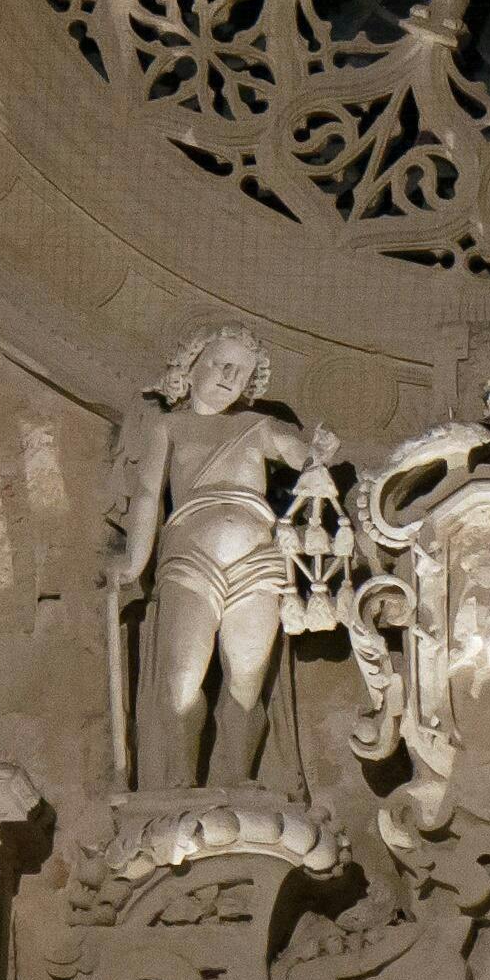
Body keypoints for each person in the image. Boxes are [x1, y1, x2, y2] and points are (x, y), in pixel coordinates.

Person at [104, 323, 335, 789]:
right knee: (183, 680)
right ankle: (181, 783)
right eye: (220, 363)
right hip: (190, 555)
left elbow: (295, 452)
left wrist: (315, 458)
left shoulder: (256, 425)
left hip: (258, 560)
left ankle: (237, 780)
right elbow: (149, 495)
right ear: (190, 367)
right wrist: (133, 562)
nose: (230, 375)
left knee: (247, 681)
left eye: (242, 370)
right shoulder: (168, 426)